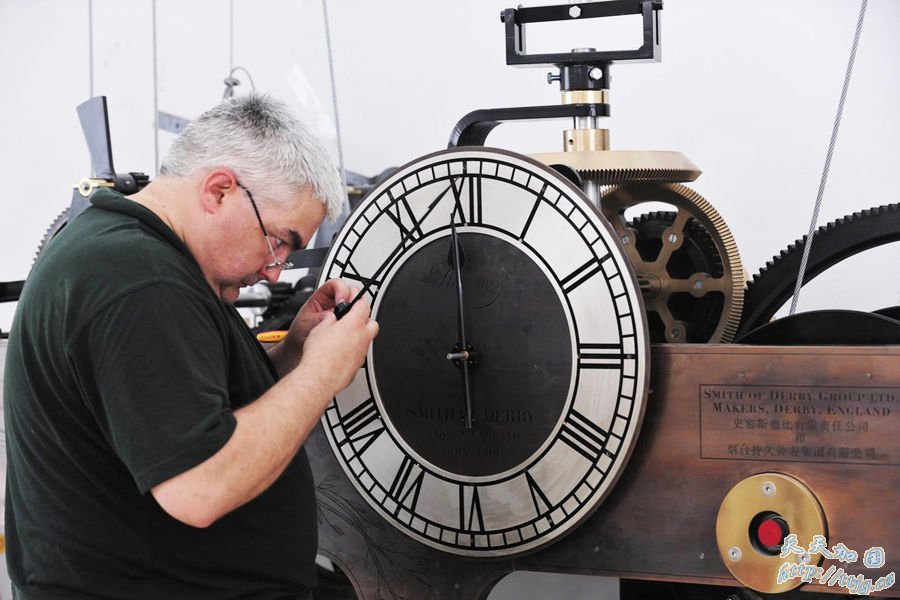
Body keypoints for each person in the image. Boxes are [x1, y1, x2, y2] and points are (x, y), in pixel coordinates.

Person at [4, 93, 378, 599]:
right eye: (279, 242)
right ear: (219, 191)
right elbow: (200, 487)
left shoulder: (147, 258)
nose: (275, 271)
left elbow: (190, 408)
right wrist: (321, 375)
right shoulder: (138, 281)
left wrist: (295, 353)